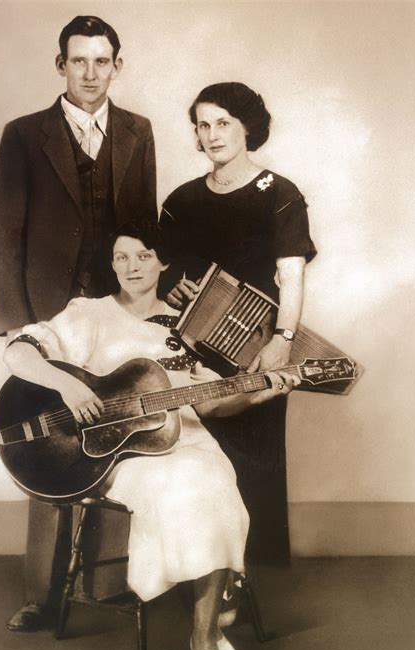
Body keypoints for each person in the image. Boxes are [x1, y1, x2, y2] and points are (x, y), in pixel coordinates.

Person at [3, 219, 298, 650]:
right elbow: (18, 354)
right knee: (184, 489)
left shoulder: (182, 328)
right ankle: (214, 624)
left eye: (143, 255)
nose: (131, 266)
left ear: (163, 262)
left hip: (187, 441)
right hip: (122, 453)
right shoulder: (88, 314)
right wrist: (67, 386)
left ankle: (203, 637)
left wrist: (262, 391)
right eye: (121, 256)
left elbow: (214, 403)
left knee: (212, 482)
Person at [0, 15, 157, 631]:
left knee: (119, 428)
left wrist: (142, 297)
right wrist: (15, 324)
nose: (91, 73)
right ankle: (44, 595)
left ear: (119, 64)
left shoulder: (138, 132)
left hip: (114, 308)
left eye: (102, 61)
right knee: (51, 444)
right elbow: (6, 232)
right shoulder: (24, 135)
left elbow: (142, 229)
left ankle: (110, 581)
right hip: (48, 307)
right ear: (60, 64)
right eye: (78, 61)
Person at [159, 82, 317, 576]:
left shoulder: (281, 194)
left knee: (254, 458)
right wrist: (171, 289)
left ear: (248, 126)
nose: (212, 134)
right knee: (196, 459)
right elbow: (162, 273)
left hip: (256, 346)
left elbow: (291, 273)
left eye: (223, 122)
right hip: (190, 354)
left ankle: (250, 581)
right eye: (203, 125)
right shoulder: (181, 200)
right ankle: (201, 573)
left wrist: (282, 342)